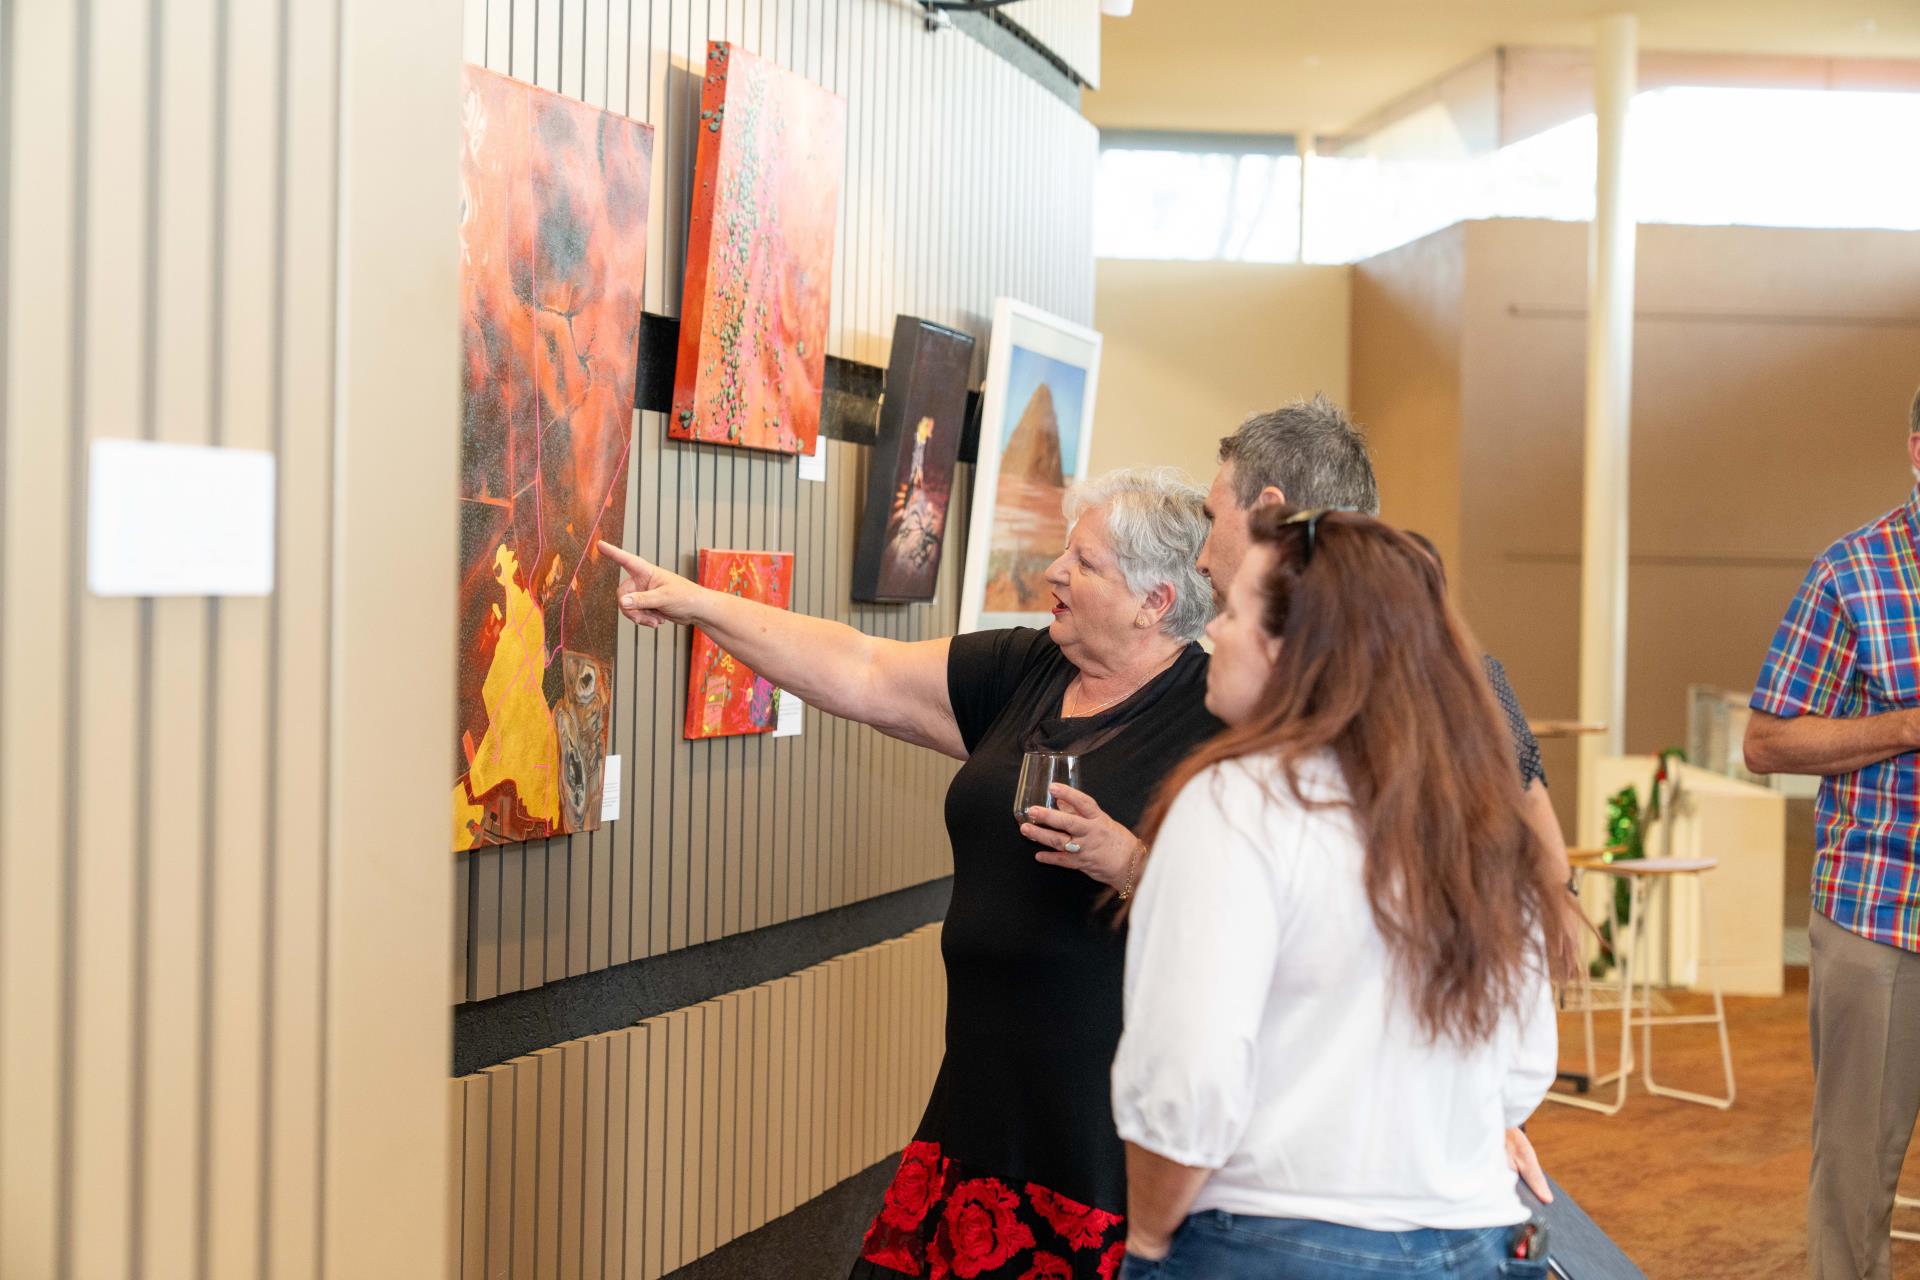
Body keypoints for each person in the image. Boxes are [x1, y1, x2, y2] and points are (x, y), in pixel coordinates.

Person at [600, 466, 1221, 1280]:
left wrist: (1134, 862)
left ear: (1156, 602)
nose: (1055, 575)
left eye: (1086, 564)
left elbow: (1263, 916)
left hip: (1103, 1115)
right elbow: (859, 667)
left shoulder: (1216, 716)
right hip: (981, 1088)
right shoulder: (1026, 670)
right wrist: (700, 603)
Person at [1111, 507, 1560, 1279]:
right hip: (1477, 1243)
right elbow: (1523, 1066)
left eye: (1231, 612)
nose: (1211, 633)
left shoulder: (1235, 803)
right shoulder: (1476, 813)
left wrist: (1148, 1244)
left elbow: (1188, 1083)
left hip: (1277, 1242)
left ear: (1292, 651)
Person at [1199, 396, 1576, 962]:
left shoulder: (1458, 683)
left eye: (1210, 519)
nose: (1201, 558)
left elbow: (1549, 897)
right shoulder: (1451, 674)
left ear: (1268, 513)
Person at [1744, 389, 1920, 1280]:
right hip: (1882, 918)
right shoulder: (1851, 572)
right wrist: (1905, 725)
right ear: (1918, 451)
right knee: (1856, 1185)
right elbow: (1766, 741)